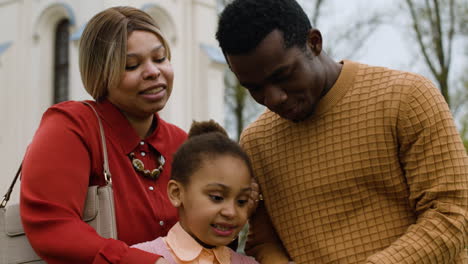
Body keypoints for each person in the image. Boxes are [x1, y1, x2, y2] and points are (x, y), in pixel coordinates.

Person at [215, 0, 468, 263]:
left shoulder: (407, 99)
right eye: (255, 89)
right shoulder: (256, 143)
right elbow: (264, 241)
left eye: (283, 75)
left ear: (314, 43)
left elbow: (451, 216)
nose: (273, 98)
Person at [20, 6, 187, 264]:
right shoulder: (72, 127)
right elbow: (52, 225)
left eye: (160, 58)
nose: (153, 71)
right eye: (131, 65)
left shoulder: (183, 144)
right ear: (101, 74)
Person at [132, 120, 259, 264]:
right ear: (177, 193)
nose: (231, 212)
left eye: (241, 201)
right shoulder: (142, 257)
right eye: (217, 197)